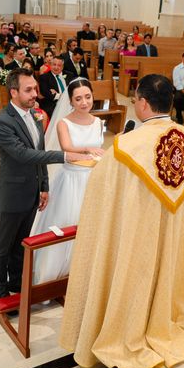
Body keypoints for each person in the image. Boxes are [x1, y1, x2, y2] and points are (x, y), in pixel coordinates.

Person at [59, 74, 184, 368]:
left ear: (144, 104)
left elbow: (102, 191)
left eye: (135, 99)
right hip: (167, 230)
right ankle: (160, 317)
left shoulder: (127, 145)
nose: (134, 103)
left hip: (136, 230)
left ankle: (125, 328)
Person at [0, 68, 86, 301]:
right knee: (3, 246)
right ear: (14, 92)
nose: (35, 93)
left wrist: (43, 186)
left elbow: (39, 152)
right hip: (12, 195)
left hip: (32, 193)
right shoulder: (2, 121)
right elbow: (24, 155)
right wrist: (64, 156)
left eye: (35, 88)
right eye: (28, 90)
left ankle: (17, 283)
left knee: (20, 243)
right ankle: (1, 293)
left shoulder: (34, 114)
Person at [30, 78, 104, 284]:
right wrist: (88, 149)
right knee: (67, 221)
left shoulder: (98, 122)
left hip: (92, 180)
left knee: (90, 226)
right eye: (78, 99)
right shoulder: (64, 123)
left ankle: (82, 275)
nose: (84, 102)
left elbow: (99, 149)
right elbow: (66, 147)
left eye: (87, 97)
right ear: (70, 101)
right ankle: (52, 278)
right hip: (71, 180)